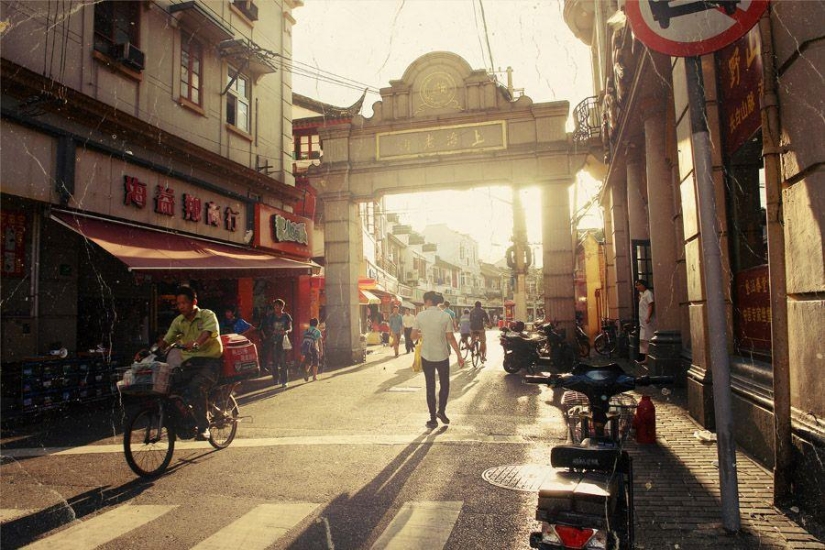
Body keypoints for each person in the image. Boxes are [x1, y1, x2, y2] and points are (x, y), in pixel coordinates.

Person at [159, 286, 223, 441]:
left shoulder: (207, 315)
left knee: (196, 387)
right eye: (178, 303)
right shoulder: (178, 321)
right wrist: (151, 351)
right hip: (190, 362)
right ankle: (182, 424)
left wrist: (196, 343)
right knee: (169, 386)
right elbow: (167, 340)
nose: (181, 306)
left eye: (184, 303)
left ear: (194, 301)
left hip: (210, 361)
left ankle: (204, 427)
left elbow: (207, 333)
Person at [411, 291, 464, 429]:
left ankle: (432, 419)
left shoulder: (420, 315)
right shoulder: (446, 316)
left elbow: (413, 336)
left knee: (430, 386)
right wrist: (459, 355)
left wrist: (425, 333)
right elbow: (450, 338)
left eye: (424, 301)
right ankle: (441, 410)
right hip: (442, 355)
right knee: (445, 384)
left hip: (427, 355)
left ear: (428, 301)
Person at [263, 298, 293, 387]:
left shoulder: (286, 316)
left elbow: (290, 328)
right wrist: (273, 331)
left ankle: (284, 381)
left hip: (283, 340)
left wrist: (287, 331)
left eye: (277, 305)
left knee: (283, 361)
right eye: (275, 305)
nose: (276, 307)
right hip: (273, 340)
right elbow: (268, 327)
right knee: (274, 361)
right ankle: (276, 379)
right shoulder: (271, 316)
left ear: (282, 306)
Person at [635, 279, 655, 365]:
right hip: (642, 321)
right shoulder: (642, 294)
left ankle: (648, 358)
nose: (637, 287)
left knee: (647, 339)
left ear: (643, 285)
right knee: (643, 340)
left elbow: (651, 305)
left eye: (638, 285)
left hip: (647, 321)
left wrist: (648, 317)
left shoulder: (648, 294)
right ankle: (646, 358)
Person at [300, 318, 323, 382]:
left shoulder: (306, 330)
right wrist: (321, 351)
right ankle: (314, 377)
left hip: (307, 348)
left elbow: (304, 338)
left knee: (308, 361)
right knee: (315, 362)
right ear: (317, 324)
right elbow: (320, 341)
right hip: (314, 347)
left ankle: (306, 371)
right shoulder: (317, 331)